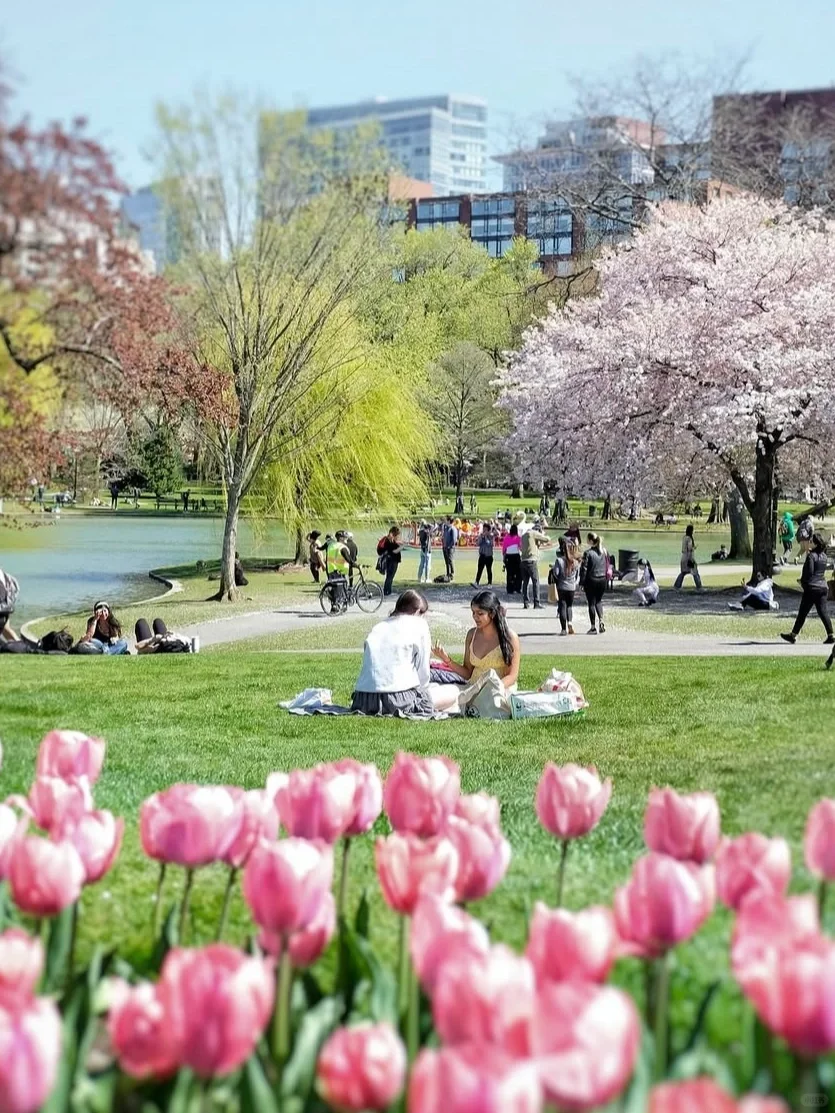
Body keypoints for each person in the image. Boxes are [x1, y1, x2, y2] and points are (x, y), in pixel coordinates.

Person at [430, 590, 521, 711]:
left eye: (480, 613)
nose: (475, 617)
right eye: (473, 612)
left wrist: (490, 689)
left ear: (492, 614)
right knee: (439, 695)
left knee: (487, 704)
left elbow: (512, 676)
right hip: (472, 688)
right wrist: (446, 659)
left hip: (499, 690)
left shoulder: (510, 637)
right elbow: (467, 673)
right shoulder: (471, 634)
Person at [351, 590, 433, 715]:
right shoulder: (420, 624)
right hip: (398, 698)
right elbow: (423, 673)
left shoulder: (379, 626)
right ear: (417, 611)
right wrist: (425, 695)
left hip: (363, 700)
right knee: (452, 692)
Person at [781, 533, 834, 644]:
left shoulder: (811, 556)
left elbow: (809, 572)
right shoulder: (824, 556)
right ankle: (831, 635)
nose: (809, 543)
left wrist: (803, 582)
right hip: (823, 587)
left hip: (812, 588)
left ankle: (793, 635)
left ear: (815, 543)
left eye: (811, 541)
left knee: (803, 613)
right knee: (823, 612)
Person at [580, 533, 609, 634]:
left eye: (587, 539)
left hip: (591, 580)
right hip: (602, 579)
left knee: (591, 603)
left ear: (591, 541)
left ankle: (593, 627)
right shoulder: (604, 551)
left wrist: (581, 583)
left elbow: (584, 569)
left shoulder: (588, 553)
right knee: (599, 601)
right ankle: (601, 620)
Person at [519, 520, 550, 609]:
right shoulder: (534, 533)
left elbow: (533, 546)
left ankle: (526, 602)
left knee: (525, 582)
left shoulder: (524, 535)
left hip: (523, 560)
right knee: (535, 582)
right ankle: (536, 603)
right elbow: (546, 539)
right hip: (531, 561)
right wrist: (543, 534)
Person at [553, 537, 580, 634]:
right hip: (571, 587)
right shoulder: (575, 562)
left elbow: (556, 573)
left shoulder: (559, 560)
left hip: (562, 586)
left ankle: (563, 629)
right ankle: (570, 623)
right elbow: (577, 576)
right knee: (569, 606)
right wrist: (574, 582)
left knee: (562, 606)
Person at [326, 531, 357, 612]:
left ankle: (335, 606)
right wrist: (356, 565)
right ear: (340, 538)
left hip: (331, 570)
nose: (346, 539)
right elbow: (348, 559)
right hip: (339, 570)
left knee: (334, 589)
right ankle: (338, 606)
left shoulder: (331, 545)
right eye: (344, 537)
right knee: (340, 589)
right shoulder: (342, 547)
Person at [674, 525, 703, 591]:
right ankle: (699, 587)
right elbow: (689, 549)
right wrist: (694, 548)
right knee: (695, 573)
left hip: (683, 557)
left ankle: (677, 586)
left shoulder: (684, 538)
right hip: (688, 557)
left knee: (683, 573)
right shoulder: (689, 539)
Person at [378, 526, 403, 597]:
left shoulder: (389, 540)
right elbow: (394, 551)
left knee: (389, 576)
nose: (398, 537)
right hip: (392, 561)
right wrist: (402, 547)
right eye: (397, 535)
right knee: (390, 576)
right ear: (395, 534)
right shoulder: (389, 541)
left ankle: (388, 590)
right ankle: (387, 591)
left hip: (391, 560)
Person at [0, 567, 20, 643]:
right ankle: (22, 646)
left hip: (2, 610)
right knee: (6, 629)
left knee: (6, 629)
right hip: (5, 608)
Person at [473, 522, 496, 587]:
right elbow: (477, 544)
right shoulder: (481, 536)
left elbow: (490, 544)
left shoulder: (491, 536)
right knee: (479, 570)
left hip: (489, 556)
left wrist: (485, 537)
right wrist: (481, 537)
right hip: (482, 555)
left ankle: (489, 583)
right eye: (483, 529)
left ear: (488, 531)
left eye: (485, 530)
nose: (484, 531)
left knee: (489, 570)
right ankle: (477, 582)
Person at [502, 523, 522, 596]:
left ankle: (510, 589)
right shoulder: (518, 538)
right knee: (518, 573)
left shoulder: (506, 538)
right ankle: (517, 588)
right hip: (516, 556)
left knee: (510, 573)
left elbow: (504, 549)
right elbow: (521, 548)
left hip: (508, 556)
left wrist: (504, 557)